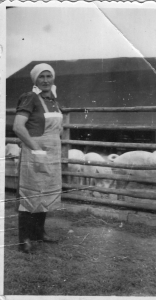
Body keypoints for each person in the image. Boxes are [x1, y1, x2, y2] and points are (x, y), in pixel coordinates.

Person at [13, 63, 63, 254]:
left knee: (46, 192)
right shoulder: (30, 98)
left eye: (48, 76)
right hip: (35, 151)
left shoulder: (52, 100)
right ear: (35, 79)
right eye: (41, 77)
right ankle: (24, 239)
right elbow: (18, 127)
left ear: (53, 78)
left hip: (51, 152)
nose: (45, 80)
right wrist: (36, 149)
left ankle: (39, 233)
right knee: (30, 193)